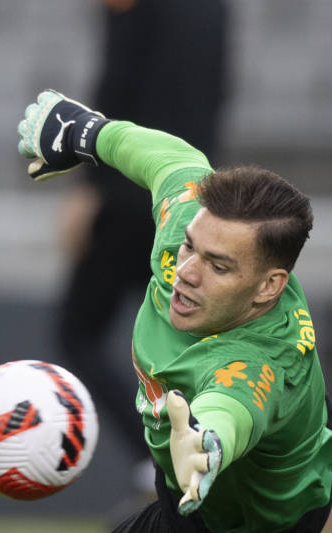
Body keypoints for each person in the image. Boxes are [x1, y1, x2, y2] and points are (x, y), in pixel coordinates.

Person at [4, 91, 332, 533]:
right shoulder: (192, 224)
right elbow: (173, 160)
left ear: (268, 287)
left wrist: (207, 444)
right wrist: (87, 132)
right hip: (237, 446)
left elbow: (233, 407)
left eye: (218, 266)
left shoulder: (255, 361)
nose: (186, 271)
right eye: (190, 248)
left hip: (244, 532)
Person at [55, 0, 229, 490]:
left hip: (131, 192)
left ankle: (156, 465)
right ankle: (196, 462)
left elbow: (120, 80)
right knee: (176, 344)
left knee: (78, 333)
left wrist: (89, 186)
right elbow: (218, 92)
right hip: (190, 194)